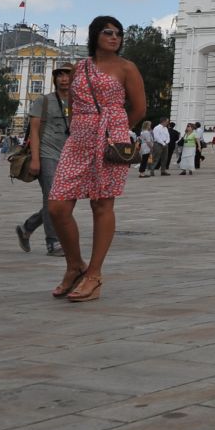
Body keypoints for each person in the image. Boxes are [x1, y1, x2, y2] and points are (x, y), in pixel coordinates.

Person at [47, 15, 146, 304]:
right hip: (78, 140)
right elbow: (73, 102)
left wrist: (114, 129)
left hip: (109, 139)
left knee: (102, 204)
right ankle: (74, 265)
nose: (114, 37)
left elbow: (139, 109)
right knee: (57, 206)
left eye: (118, 33)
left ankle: (94, 274)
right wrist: (85, 124)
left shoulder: (127, 68)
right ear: (95, 36)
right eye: (108, 32)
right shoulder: (81, 67)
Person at [17, 66, 73, 257]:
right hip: (46, 154)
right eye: (60, 76)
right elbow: (33, 130)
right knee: (52, 198)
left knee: (62, 202)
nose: (64, 79)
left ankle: (27, 227)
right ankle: (53, 242)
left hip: (69, 156)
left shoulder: (78, 102)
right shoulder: (44, 101)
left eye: (68, 75)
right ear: (55, 79)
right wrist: (35, 159)